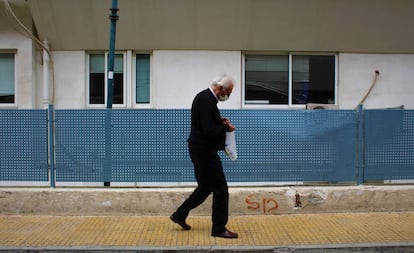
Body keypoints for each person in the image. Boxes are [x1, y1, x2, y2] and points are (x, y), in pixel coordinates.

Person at [170, 73, 238, 239]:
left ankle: (179, 215)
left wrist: (218, 121)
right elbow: (209, 131)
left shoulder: (204, 98)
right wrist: (225, 128)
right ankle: (219, 228)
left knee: (205, 187)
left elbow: (205, 124)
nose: (228, 96)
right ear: (220, 88)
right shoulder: (207, 100)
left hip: (198, 150)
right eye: (228, 92)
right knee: (221, 189)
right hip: (205, 152)